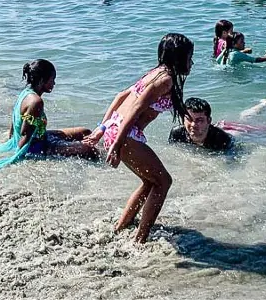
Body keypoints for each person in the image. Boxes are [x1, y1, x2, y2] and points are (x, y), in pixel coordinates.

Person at [82, 34, 194, 243]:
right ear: (179, 58)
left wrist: (102, 128)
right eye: (189, 57)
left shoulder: (154, 74)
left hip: (117, 129)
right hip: (125, 135)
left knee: (151, 182)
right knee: (164, 182)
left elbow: (121, 96)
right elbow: (135, 108)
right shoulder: (166, 79)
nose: (192, 62)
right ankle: (140, 240)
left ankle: (121, 227)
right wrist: (117, 144)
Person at [0, 59, 98, 174]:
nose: (54, 83)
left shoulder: (26, 92)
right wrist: (17, 156)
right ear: (42, 80)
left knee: (85, 132)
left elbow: (13, 123)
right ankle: (99, 168)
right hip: (36, 147)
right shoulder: (36, 102)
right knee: (90, 150)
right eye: (52, 79)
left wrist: (11, 139)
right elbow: (25, 134)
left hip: (42, 137)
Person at [167, 97, 234, 151]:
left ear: (209, 120)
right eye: (189, 119)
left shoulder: (222, 139)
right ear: (183, 119)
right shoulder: (177, 134)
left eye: (199, 120)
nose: (193, 124)